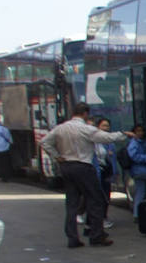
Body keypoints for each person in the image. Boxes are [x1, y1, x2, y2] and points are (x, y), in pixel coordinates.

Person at [39, 101, 131, 248]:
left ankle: (72, 238)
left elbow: (44, 142)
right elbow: (106, 138)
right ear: (85, 114)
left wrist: (57, 156)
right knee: (96, 200)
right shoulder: (86, 129)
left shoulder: (60, 128)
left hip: (66, 166)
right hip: (83, 166)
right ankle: (96, 235)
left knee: (72, 203)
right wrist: (123, 135)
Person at [93, 118, 117, 230]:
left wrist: (114, 173)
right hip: (99, 172)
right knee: (100, 196)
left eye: (107, 126)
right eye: (103, 126)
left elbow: (113, 159)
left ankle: (103, 217)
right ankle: (100, 219)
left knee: (106, 195)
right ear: (98, 127)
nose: (106, 128)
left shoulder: (110, 141)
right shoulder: (95, 141)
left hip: (107, 172)